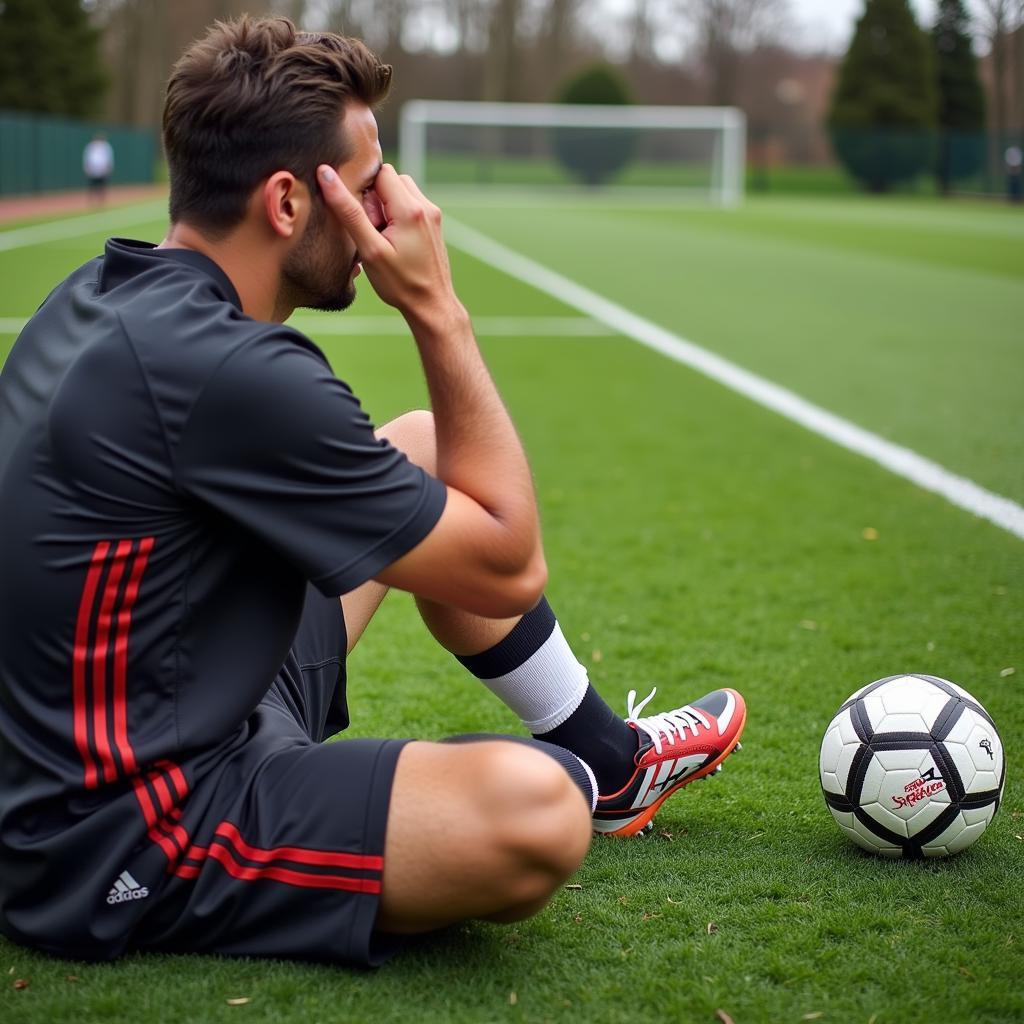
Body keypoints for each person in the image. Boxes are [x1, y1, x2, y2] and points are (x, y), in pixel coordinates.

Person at [0, 17, 746, 966]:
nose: (392, 216)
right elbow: (508, 564)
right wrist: (439, 309)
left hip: (173, 696)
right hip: (126, 834)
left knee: (429, 448)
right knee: (537, 813)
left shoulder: (97, 292)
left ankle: (611, 760)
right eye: (365, 192)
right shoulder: (232, 371)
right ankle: (560, 779)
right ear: (285, 204)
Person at [83, 132, 114, 205]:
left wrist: (108, 167)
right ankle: (91, 200)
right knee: (92, 185)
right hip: (93, 169)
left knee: (102, 185)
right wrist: (87, 167)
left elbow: (109, 157)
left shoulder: (106, 146)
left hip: (102, 169)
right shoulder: (90, 146)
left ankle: (101, 201)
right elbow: (87, 157)